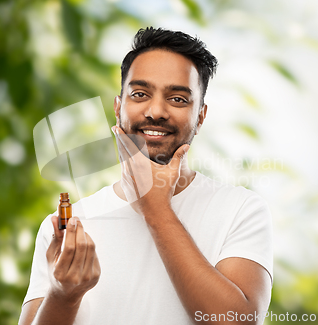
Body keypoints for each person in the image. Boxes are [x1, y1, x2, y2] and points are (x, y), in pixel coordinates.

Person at [19, 27, 273, 325]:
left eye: (178, 99)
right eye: (140, 94)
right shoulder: (69, 226)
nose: (156, 111)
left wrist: (155, 208)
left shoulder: (240, 210)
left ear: (200, 117)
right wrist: (63, 294)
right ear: (118, 107)